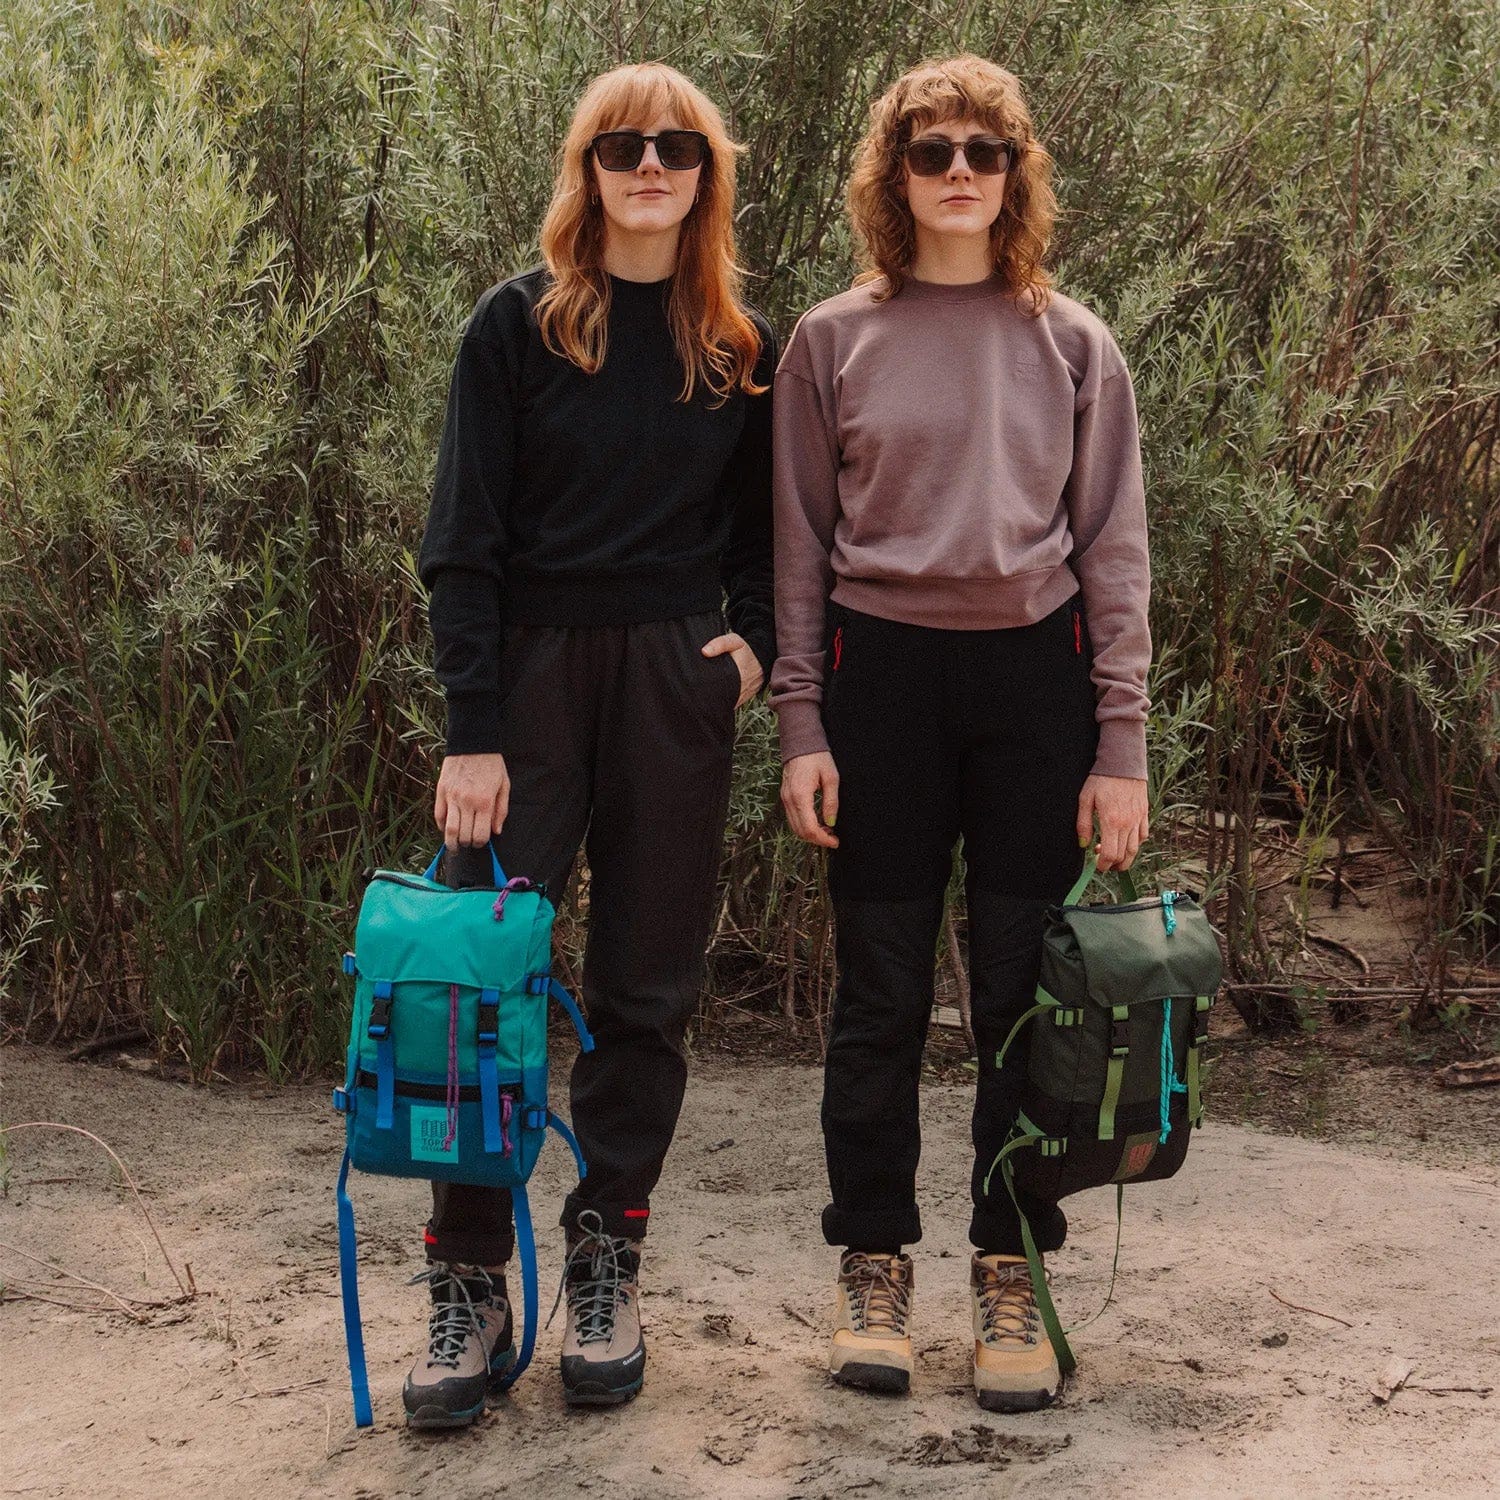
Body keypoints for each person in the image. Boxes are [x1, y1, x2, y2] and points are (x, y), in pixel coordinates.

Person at [770, 54, 1151, 1412]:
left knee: (1021, 1003)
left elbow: (1114, 553)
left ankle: (1011, 1268)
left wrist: (1121, 745)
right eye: (930, 151)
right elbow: (797, 548)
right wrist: (801, 722)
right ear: (894, 175)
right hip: (877, 685)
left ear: (1015, 174)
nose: (958, 174)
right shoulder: (831, 340)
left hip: (1033, 689)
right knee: (878, 997)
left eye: (985, 152)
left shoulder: (1074, 343)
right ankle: (872, 1263)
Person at [410, 61, 775, 1426]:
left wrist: (752, 644)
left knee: (646, 985)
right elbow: (462, 542)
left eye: (677, 147)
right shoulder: (515, 328)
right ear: (589, 168)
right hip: (531, 688)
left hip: (674, 680)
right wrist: (473, 732)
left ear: (706, 173)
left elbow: (769, 534)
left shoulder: (736, 346)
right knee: (476, 978)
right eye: (623, 147)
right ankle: (469, 1279)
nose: (650, 166)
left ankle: (608, 1254)